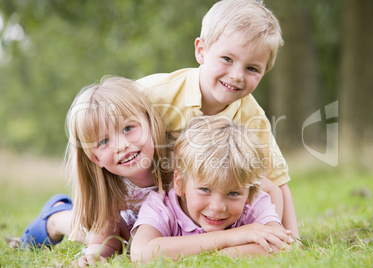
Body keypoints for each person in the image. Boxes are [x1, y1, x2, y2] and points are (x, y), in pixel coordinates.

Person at [135, 0, 298, 237]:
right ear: (201, 51)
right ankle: (61, 216)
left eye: (252, 69)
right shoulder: (154, 94)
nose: (236, 76)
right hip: (139, 191)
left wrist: (292, 236)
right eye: (227, 59)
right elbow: (100, 129)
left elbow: (277, 182)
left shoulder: (252, 116)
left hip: (197, 201)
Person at [20, 76, 172, 266]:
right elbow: (103, 241)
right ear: (96, 158)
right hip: (125, 224)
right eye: (104, 141)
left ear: (150, 123)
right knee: (89, 231)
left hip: (153, 225)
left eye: (128, 128)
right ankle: (56, 217)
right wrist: (95, 256)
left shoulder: (175, 161)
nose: (122, 145)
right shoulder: (111, 186)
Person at [131, 116, 294, 262]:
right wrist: (232, 237)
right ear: (180, 184)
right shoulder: (161, 206)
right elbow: (142, 253)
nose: (217, 206)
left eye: (233, 193)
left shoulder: (254, 204)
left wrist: (207, 257)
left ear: (250, 194)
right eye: (205, 189)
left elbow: (281, 247)